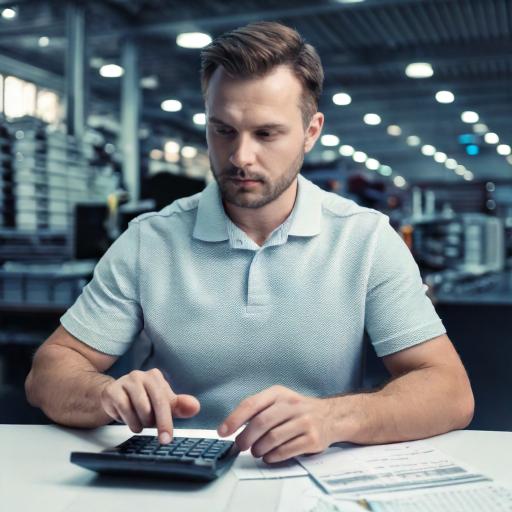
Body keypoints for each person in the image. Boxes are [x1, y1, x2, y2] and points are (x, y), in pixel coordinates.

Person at [25, 22, 473, 465]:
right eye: (223, 131)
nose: (240, 157)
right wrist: (108, 394)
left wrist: (335, 417)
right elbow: (50, 372)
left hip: (312, 476)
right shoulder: (150, 240)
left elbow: (449, 391)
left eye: (266, 134)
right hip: (178, 476)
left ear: (311, 131)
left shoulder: (366, 239)